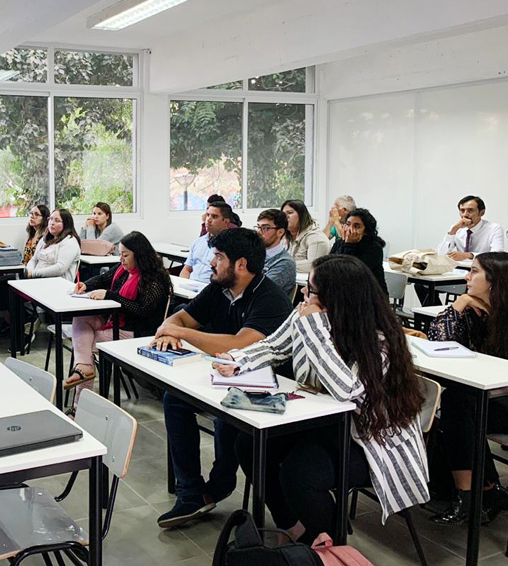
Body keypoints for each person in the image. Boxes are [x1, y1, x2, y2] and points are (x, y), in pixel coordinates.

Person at [214, 254, 429, 545]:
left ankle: (329, 544)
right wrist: (237, 361)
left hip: (370, 440)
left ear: (336, 297)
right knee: (249, 444)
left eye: (311, 289)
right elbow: (274, 346)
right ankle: (295, 527)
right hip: (324, 424)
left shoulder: (379, 340)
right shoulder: (309, 313)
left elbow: (348, 391)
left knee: (299, 474)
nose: (304, 294)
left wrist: (313, 329)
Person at [150, 228, 292, 528]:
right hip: (226, 376)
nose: (211, 263)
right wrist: (170, 330)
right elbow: (181, 317)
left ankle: (217, 486)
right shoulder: (219, 287)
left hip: (268, 389)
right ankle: (190, 492)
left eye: (218, 257)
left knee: (227, 417)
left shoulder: (271, 298)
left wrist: (182, 333)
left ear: (240, 264)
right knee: (174, 399)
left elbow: (241, 345)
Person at [428, 252, 508, 525]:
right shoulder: (474, 311)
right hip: (489, 397)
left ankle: (471, 495)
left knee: (460, 405)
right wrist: (459, 304)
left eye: (474, 272)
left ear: (495, 281)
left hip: (502, 399)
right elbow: (437, 343)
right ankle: (482, 491)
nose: (466, 277)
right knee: (459, 401)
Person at [64, 231, 172, 410]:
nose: (121, 259)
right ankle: (84, 369)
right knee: (81, 319)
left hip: (136, 331)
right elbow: (102, 278)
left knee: (83, 341)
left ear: (140, 255)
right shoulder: (123, 269)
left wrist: (111, 295)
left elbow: (142, 311)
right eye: (120, 254)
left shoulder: (154, 279)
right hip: (116, 322)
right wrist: (86, 285)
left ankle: (78, 405)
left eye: (126, 255)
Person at [0, 204, 50, 334]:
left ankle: (17, 319)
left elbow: (39, 262)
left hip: (33, 276)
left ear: (45, 218)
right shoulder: (31, 235)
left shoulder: (45, 238)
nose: (32, 217)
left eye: (37, 215)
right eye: (31, 214)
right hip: (24, 271)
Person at [329, 208, 387, 294]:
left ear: (366, 231)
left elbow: (350, 274)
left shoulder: (374, 248)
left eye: (356, 226)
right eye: (348, 224)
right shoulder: (339, 243)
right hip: (344, 294)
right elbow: (329, 268)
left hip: (370, 297)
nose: (350, 229)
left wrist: (349, 244)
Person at [436, 195, 504, 261]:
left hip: (484, 270)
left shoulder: (494, 228)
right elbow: (440, 255)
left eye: (470, 210)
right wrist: (452, 231)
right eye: (462, 210)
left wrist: (469, 255)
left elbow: (497, 256)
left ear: (482, 213)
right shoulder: (456, 228)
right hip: (459, 269)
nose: (465, 215)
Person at [182, 201, 233, 282]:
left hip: (209, 289)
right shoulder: (198, 242)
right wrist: (183, 284)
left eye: (214, 216)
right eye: (208, 215)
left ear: (226, 222)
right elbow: (187, 269)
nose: (208, 220)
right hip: (189, 287)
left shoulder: (231, 245)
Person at [25, 208, 81, 282]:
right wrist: (28, 271)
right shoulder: (45, 239)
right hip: (38, 280)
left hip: (57, 283)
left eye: (57, 221)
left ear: (66, 224)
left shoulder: (70, 241)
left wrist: (33, 273)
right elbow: (34, 260)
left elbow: (60, 268)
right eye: (50, 219)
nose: (52, 223)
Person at [281, 199, 330, 273]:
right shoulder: (284, 236)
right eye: (283, 214)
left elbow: (313, 265)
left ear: (301, 215)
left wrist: (280, 264)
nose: (286, 217)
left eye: (290, 213)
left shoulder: (317, 238)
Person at [256, 209, 296, 294]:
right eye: (258, 227)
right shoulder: (255, 254)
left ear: (280, 232)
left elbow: (260, 290)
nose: (259, 232)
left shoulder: (285, 263)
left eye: (265, 228)